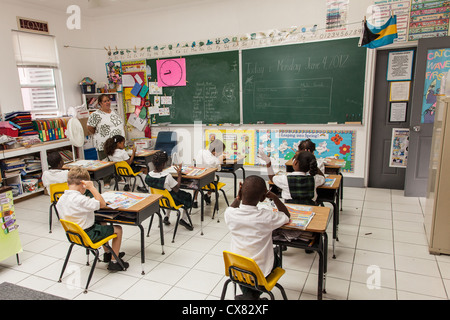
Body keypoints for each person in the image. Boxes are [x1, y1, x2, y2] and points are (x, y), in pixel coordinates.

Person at [224, 175, 290, 300]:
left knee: (249, 266)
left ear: (241, 192)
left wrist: (238, 197)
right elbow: (286, 216)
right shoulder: (266, 217)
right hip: (260, 273)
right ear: (263, 198)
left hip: (236, 270)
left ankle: (249, 296)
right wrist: (275, 197)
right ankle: (252, 296)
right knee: (277, 259)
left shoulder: (230, 214)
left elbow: (231, 207)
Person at [56, 167, 128, 271]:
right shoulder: (81, 199)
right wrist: (92, 188)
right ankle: (114, 262)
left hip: (74, 235)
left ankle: (108, 254)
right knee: (118, 229)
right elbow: (102, 204)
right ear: (83, 185)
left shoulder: (61, 199)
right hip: (89, 235)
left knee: (102, 222)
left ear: (68, 183)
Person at [145, 151, 194, 230]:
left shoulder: (148, 176)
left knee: (167, 192)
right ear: (164, 164)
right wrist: (179, 175)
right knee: (187, 195)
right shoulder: (167, 177)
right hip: (171, 200)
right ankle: (184, 219)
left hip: (158, 200)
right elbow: (177, 188)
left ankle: (166, 216)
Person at [259, 149, 325, 205]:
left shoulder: (285, 179)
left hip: (290, 209)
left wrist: (268, 163)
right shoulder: (315, 179)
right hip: (311, 208)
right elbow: (323, 178)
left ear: (295, 162)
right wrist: (314, 165)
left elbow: (272, 178)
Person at [87, 94, 125, 189]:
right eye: (105, 101)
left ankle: (118, 177)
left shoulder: (114, 112)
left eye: (108, 100)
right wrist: (98, 134)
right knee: (105, 162)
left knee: (117, 160)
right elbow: (90, 127)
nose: (107, 102)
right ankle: (106, 181)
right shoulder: (96, 115)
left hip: (117, 142)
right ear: (100, 103)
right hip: (103, 142)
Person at [193, 139, 226, 207]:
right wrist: (220, 160)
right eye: (221, 152)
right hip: (208, 181)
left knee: (196, 182)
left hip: (197, 179)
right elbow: (218, 169)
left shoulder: (201, 151)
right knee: (215, 178)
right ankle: (208, 195)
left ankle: (194, 201)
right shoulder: (214, 160)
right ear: (216, 152)